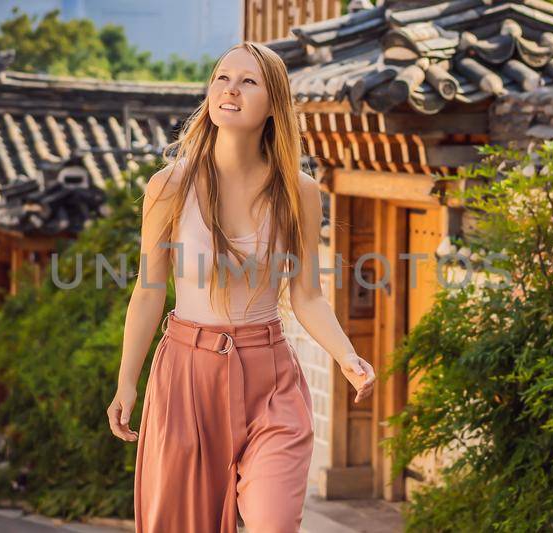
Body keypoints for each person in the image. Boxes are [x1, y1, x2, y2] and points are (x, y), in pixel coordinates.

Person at [106, 42, 377, 533]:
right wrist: (128, 381)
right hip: (186, 376)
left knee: (274, 523)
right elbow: (148, 291)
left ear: (273, 104)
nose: (230, 89)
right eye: (221, 77)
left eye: (248, 81)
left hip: (270, 378)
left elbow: (307, 295)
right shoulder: (168, 187)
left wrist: (346, 356)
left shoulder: (300, 191)